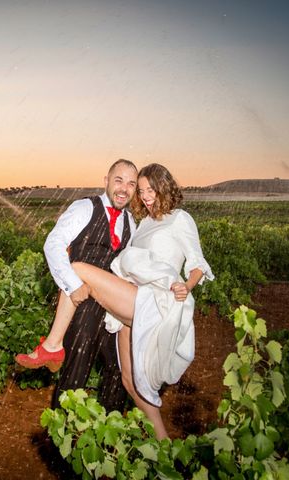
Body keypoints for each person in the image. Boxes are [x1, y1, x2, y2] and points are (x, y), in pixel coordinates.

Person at [17, 163, 214, 439]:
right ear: (107, 180)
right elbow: (63, 245)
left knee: (78, 268)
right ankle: (164, 448)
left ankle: (52, 345)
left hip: (152, 299)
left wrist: (186, 285)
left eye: (147, 188)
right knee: (130, 382)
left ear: (164, 186)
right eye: (140, 189)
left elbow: (197, 262)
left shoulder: (179, 219)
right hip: (116, 302)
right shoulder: (138, 222)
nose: (144, 195)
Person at [16, 159, 138, 413]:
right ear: (106, 181)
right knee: (77, 368)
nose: (124, 188)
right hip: (80, 303)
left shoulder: (131, 223)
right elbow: (54, 244)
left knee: (118, 369)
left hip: (111, 308)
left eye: (131, 183)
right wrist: (73, 286)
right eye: (119, 180)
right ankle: (62, 439)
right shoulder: (85, 207)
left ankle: (109, 435)